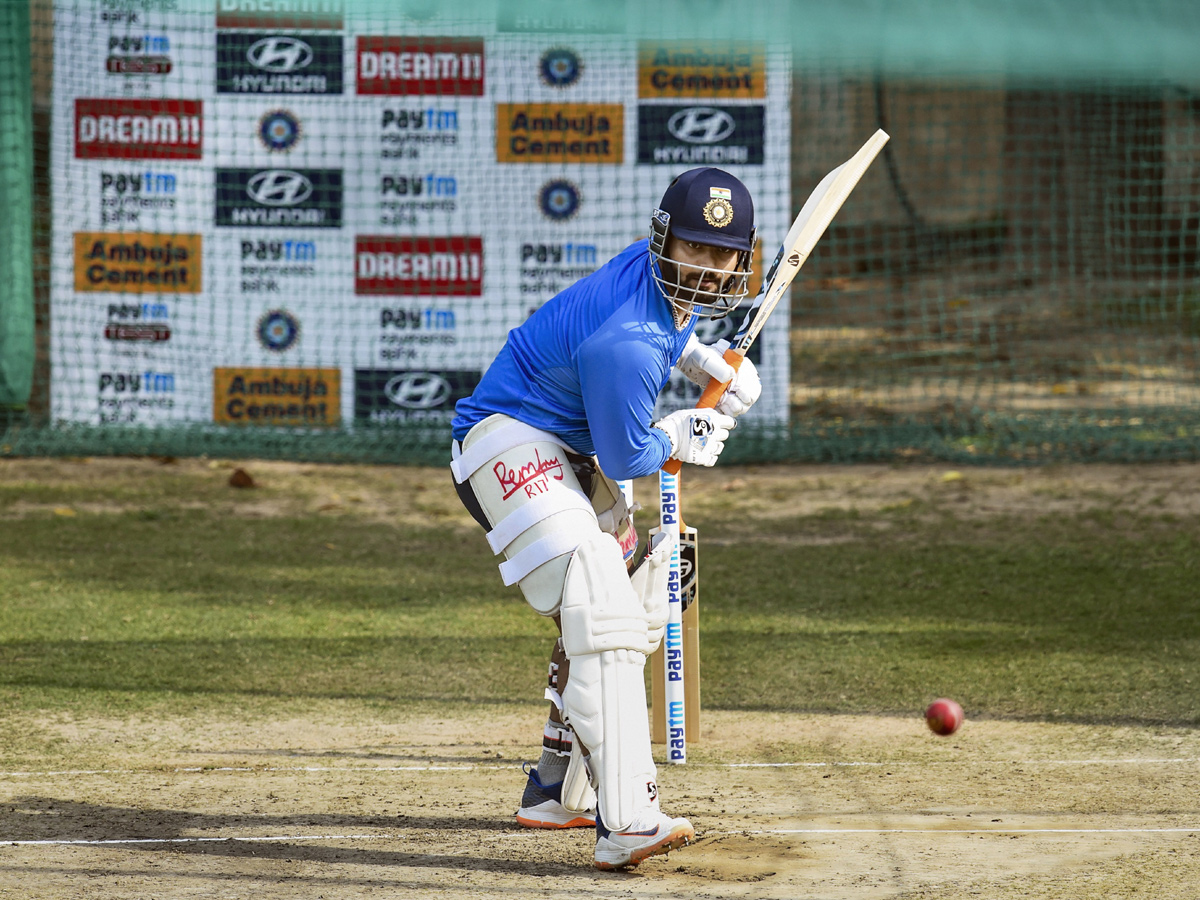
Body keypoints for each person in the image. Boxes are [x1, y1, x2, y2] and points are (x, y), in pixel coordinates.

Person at [449, 167, 763, 870]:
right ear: (664, 242)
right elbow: (628, 449)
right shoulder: (627, 341)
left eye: (722, 257)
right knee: (600, 603)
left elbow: (668, 330)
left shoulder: (654, 291)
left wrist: (708, 361)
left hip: (564, 445)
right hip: (507, 439)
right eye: (692, 250)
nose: (706, 271)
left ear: (743, 259)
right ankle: (628, 822)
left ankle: (557, 790)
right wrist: (684, 433)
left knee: (628, 600)